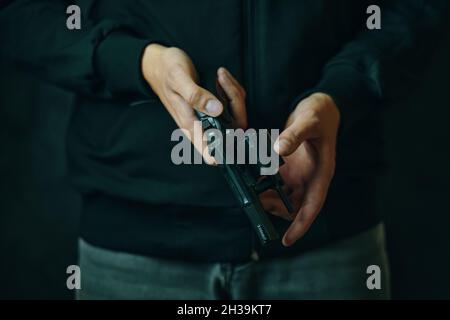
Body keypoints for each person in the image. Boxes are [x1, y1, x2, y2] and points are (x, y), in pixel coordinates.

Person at [0, 0, 446, 299]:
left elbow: (416, 9)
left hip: (328, 241)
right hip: (134, 250)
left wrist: (343, 92)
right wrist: (137, 62)